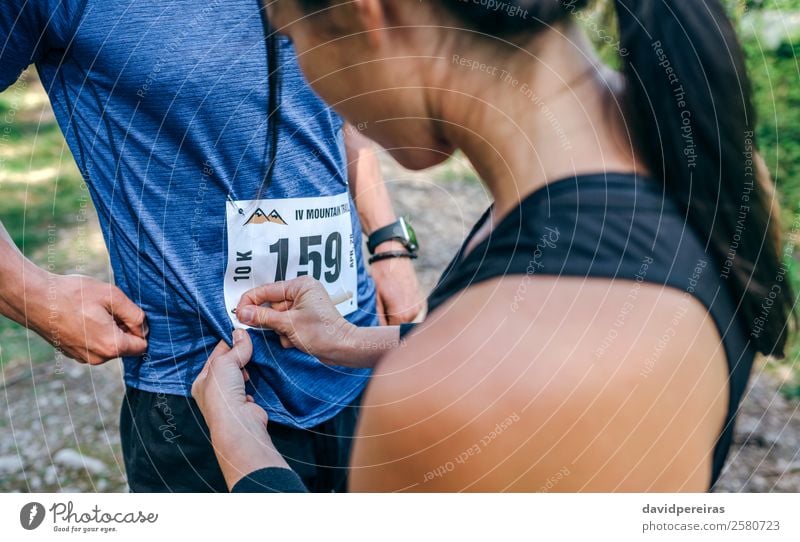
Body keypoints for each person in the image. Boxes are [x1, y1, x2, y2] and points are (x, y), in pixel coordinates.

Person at [192, 0, 795, 492]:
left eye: (296, 43)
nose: (313, 85)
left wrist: (237, 437)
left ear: (367, 16)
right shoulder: (673, 155)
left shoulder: (470, 394)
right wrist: (355, 341)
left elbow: (504, 367)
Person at [0, 0, 422, 492]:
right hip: (204, 392)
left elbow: (339, 98)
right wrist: (27, 289)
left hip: (359, 360)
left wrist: (389, 242)